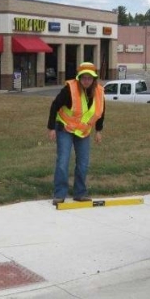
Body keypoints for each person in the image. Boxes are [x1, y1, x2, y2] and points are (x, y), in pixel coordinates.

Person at [47, 62, 105, 205]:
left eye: (89, 78)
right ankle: (60, 194)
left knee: (83, 163)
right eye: (83, 77)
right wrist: (51, 128)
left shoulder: (98, 91)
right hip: (65, 128)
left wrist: (98, 131)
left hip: (83, 132)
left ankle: (80, 193)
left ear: (94, 79)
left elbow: (100, 112)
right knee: (63, 161)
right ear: (79, 78)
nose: (86, 80)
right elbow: (55, 105)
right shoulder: (70, 89)